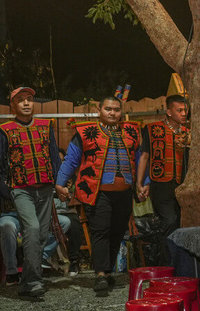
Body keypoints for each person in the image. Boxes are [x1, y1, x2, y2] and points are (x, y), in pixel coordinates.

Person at [56, 95, 142, 296]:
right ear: (99, 110)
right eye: (108, 109)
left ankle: (108, 269)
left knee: (117, 232)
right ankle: (101, 274)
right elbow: (71, 159)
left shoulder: (131, 131)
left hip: (124, 192)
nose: (113, 113)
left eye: (116, 109)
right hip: (96, 192)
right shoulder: (85, 132)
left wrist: (143, 183)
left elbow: (139, 159)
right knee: (100, 230)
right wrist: (60, 183)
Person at [0, 87, 62, 300]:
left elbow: (55, 158)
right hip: (21, 189)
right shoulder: (5, 130)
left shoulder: (46, 127)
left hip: (45, 188)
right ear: (13, 105)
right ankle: (35, 281)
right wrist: (8, 191)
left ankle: (26, 281)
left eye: (29, 99)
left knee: (42, 235)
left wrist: (59, 183)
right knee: (33, 229)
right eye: (20, 100)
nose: (26, 103)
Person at [137, 94, 190, 265]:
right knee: (169, 220)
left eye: (185, 110)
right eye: (179, 110)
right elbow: (144, 156)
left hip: (184, 184)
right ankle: (167, 263)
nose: (183, 113)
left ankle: (178, 262)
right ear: (168, 111)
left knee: (182, 222)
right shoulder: (152, 129)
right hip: (161, 184)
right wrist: (140, 182)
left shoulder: (188, 132)